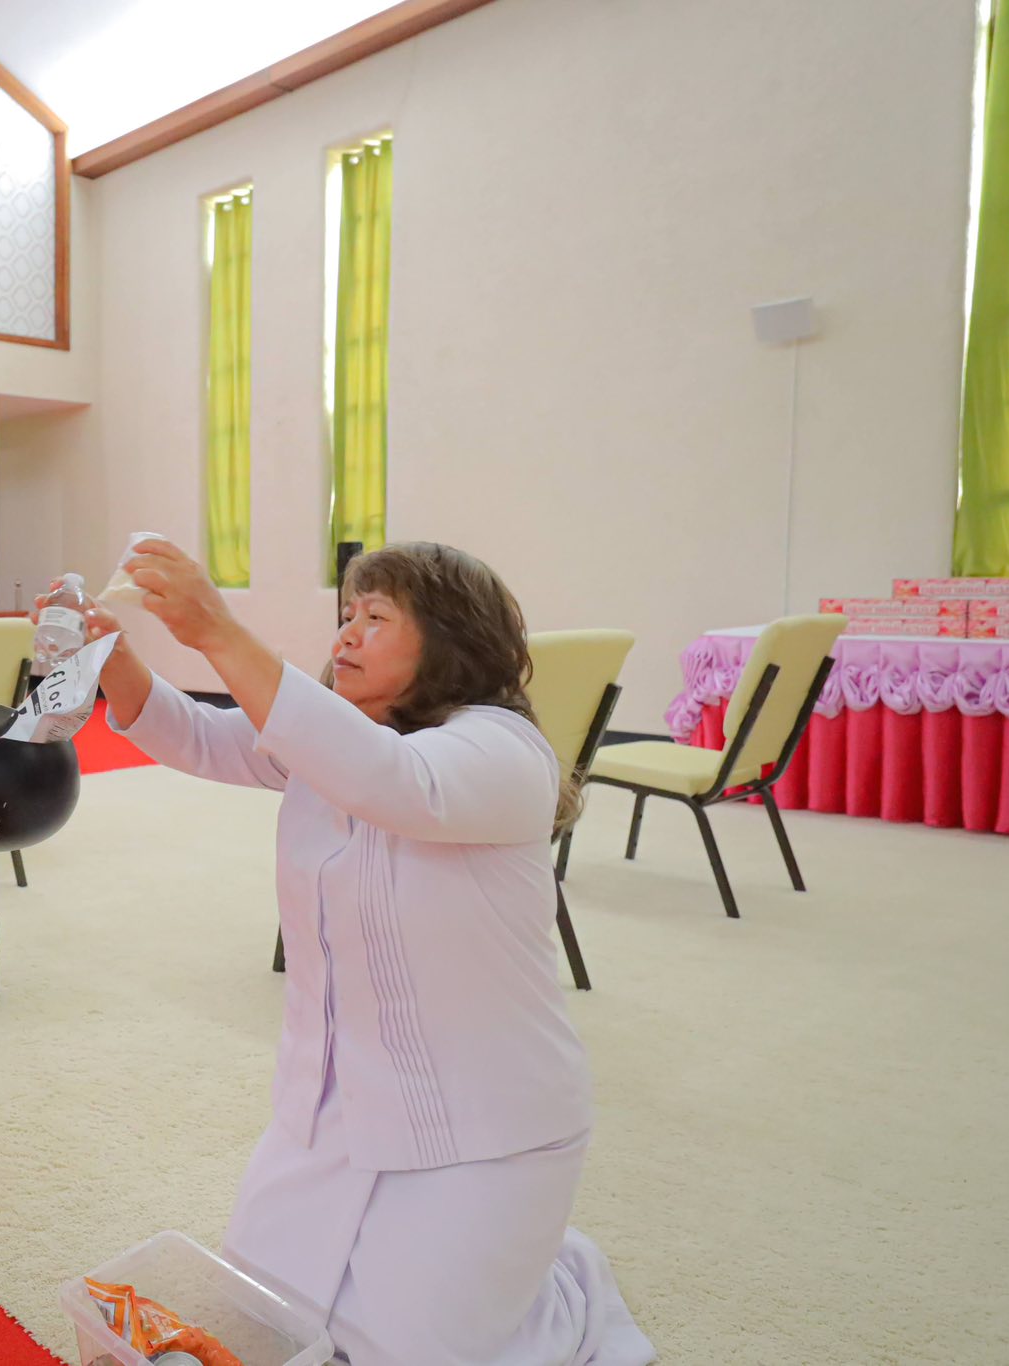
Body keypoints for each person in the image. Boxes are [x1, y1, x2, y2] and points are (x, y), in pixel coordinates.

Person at [84, 539, 654, 1365]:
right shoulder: (342, 733)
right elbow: (204, 737)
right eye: (346, 615)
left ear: (451, 640)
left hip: (485, 1125)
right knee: (264, 1325)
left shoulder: (503, 751)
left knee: (406, 1352)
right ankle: (506, 1265)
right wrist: (112, 653)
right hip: (334, 1110)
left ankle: (561, 1284)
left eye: (376, 617)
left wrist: (217, 630)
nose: (346, 634)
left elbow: (390, 781)